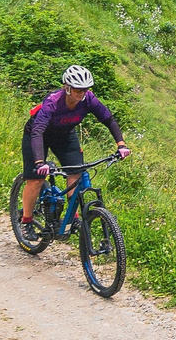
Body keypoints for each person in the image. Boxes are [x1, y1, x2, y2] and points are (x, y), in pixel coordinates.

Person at [19, 64, 128, 222]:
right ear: (67, 88)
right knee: (36, 179)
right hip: (38, 135)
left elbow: (108, 119)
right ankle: (26, 221)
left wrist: (121, 145)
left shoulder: (89, 99)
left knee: (76, 172)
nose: (82, 93)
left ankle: (72, 218)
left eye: (85, 89)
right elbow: (37, 132)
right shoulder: (53, 101)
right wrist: (39, 162)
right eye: (78, 90)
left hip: (65, 134)